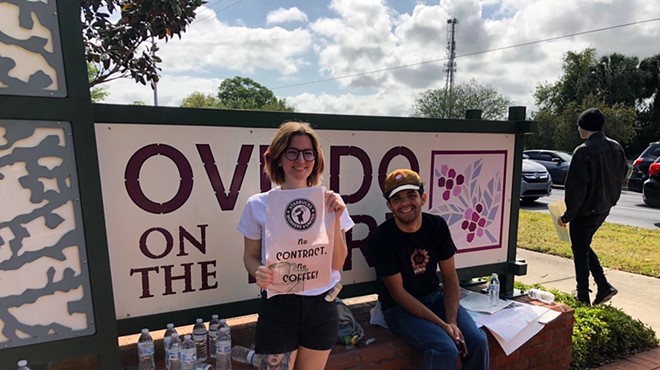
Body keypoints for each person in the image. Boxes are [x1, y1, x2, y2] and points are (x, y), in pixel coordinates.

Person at [237, 120, 354, 370]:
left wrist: (333, 219)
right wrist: (256, 271)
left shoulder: (332, 201)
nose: (301, 160)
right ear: (278, 158)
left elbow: (338, 262)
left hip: (321, 306)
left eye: (308, 153)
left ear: (316, 159)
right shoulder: (257, 205)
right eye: (292, 151)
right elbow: (250, 256)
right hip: (280, 305)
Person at [370, 168, 489, 370]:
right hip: (400, 309)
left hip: (436, 298)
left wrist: (452, 321)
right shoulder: (382, 237)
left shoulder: (436, 225)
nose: (405, 203)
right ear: (390, 205)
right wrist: (444, 326)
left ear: (423, 198)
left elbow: (450, 277)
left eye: (411, 195)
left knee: (478, 341)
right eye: (397, 199)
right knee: (444, 348)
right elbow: (398, 293)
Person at [558, 108, 628, 306]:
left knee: (579, 250)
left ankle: (583, 296)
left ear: (584, 127)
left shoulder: (583, 151)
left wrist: (567, 216)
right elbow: (623, 173)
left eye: (579, 124)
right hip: (604, 207)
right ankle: (603, 285)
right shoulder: (616, 147)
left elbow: (576, 188)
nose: (578, 128)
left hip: (585, 210)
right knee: (583, 245)